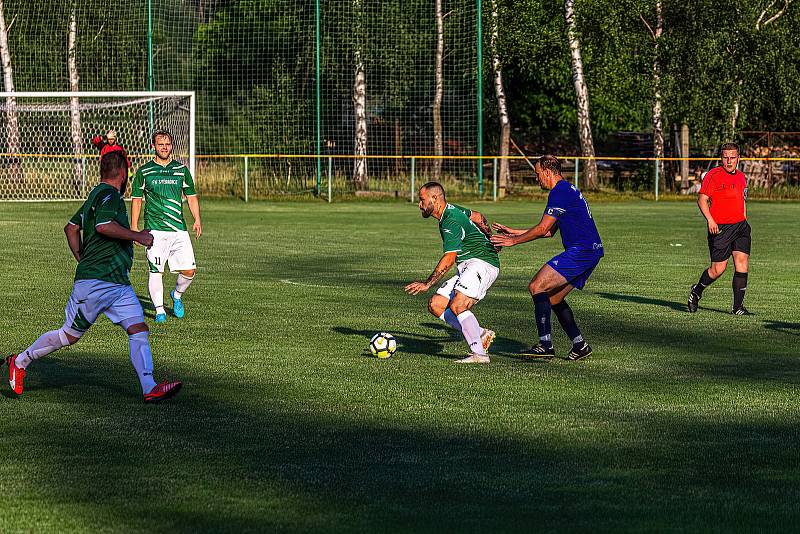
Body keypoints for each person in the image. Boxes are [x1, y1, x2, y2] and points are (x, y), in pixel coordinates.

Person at [5, 152, 182, 402]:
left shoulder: (94, 197)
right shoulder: (110, 196)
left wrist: (81, 257)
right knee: (69, 336)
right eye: (127, 174)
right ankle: (20, 362)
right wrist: (138, 236)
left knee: (138, 328)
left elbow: (71, 228)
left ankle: (149, 388)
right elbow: (103, 226)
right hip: (97, 282)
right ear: (123, 173)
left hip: (117, 284)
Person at [491, 155, 601, 360]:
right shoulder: (567, 189)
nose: (537, 178)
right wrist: (512, 232)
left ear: (548, 173)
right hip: (591, 251)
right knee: (554, 298)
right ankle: (580, 345)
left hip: (582, 251)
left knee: (536, 286)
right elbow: (549, 231)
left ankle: (545, 345)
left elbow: (542, 229)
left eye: (538, 174)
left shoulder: (559, 192)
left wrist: (512, 242)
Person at [404, 182, 500, 364]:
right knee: (436, 305)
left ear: (435, 198)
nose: (419, 205)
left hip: (482, 263)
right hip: (469, 265)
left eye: (422, 200)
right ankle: (480, 333)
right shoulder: (451, 210)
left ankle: (479, 354)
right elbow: (478, 217)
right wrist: (490, 238)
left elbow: (449, 259)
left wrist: (427, 283)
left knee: (458, 304)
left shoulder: (450, 220)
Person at [130, 129, 202, 324]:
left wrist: (197, 219)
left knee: (189, 271)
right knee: (156, 270)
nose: (164, 147)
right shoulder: (145, 171)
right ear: (154, 146)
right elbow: (136, 200)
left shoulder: (181, 170)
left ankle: (176, 295)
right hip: (155, 230)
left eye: (167, 144)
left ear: (171, 146)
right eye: (160, 144)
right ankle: (160, 310)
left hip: (179, 229)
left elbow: (192, 196)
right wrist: (134, 227)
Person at [687, 142, 750, 315]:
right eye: (725, 157)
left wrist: (744, 218)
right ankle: (696, 291)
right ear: (721, 158)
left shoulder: (742, 177)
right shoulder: (713, 175)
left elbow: (742, 200)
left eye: (732, 157)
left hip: (740, 227)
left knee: (742, 262)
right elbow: (702, 199)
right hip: (720, 229)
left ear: (738, 158)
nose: (729, 161)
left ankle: (737, 307)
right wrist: (710, 220)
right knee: (717, 270)